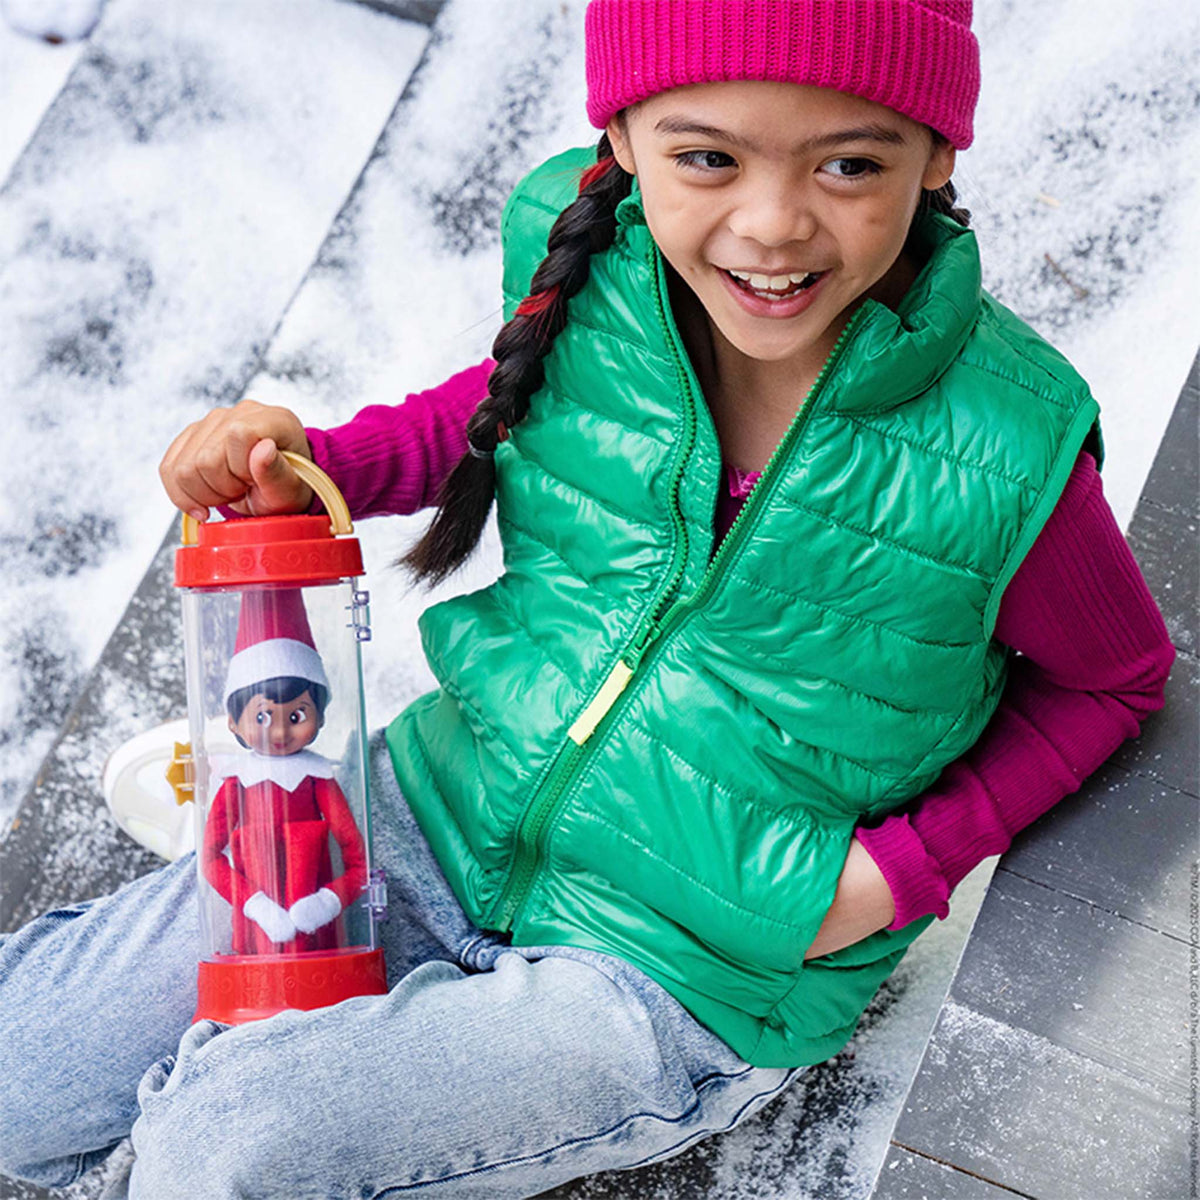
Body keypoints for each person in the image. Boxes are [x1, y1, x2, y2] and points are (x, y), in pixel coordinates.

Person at [0, 2, 1175, 1197]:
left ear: (937, 157)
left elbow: (1115, 677)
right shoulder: (600, 267)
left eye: (851, 163)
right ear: (622, 139)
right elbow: (509, 404)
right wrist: (314, 462)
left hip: (688, 963)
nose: (771, 225)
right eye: (707, 156)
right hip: (437, 810)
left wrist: (898, 872)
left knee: (225, 1147)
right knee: (20, 1070)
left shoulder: (1005, 449)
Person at [204, 588, 368, 956]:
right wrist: (255, 904)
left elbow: (359, 863)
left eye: (297, 716)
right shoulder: (238, 781)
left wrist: (326, 902)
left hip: (319, 933)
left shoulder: (317, 779)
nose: (279, 733)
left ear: (320, 716)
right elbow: (210, 857)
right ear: (232, 721)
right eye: (262, 717)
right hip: (255, 934)